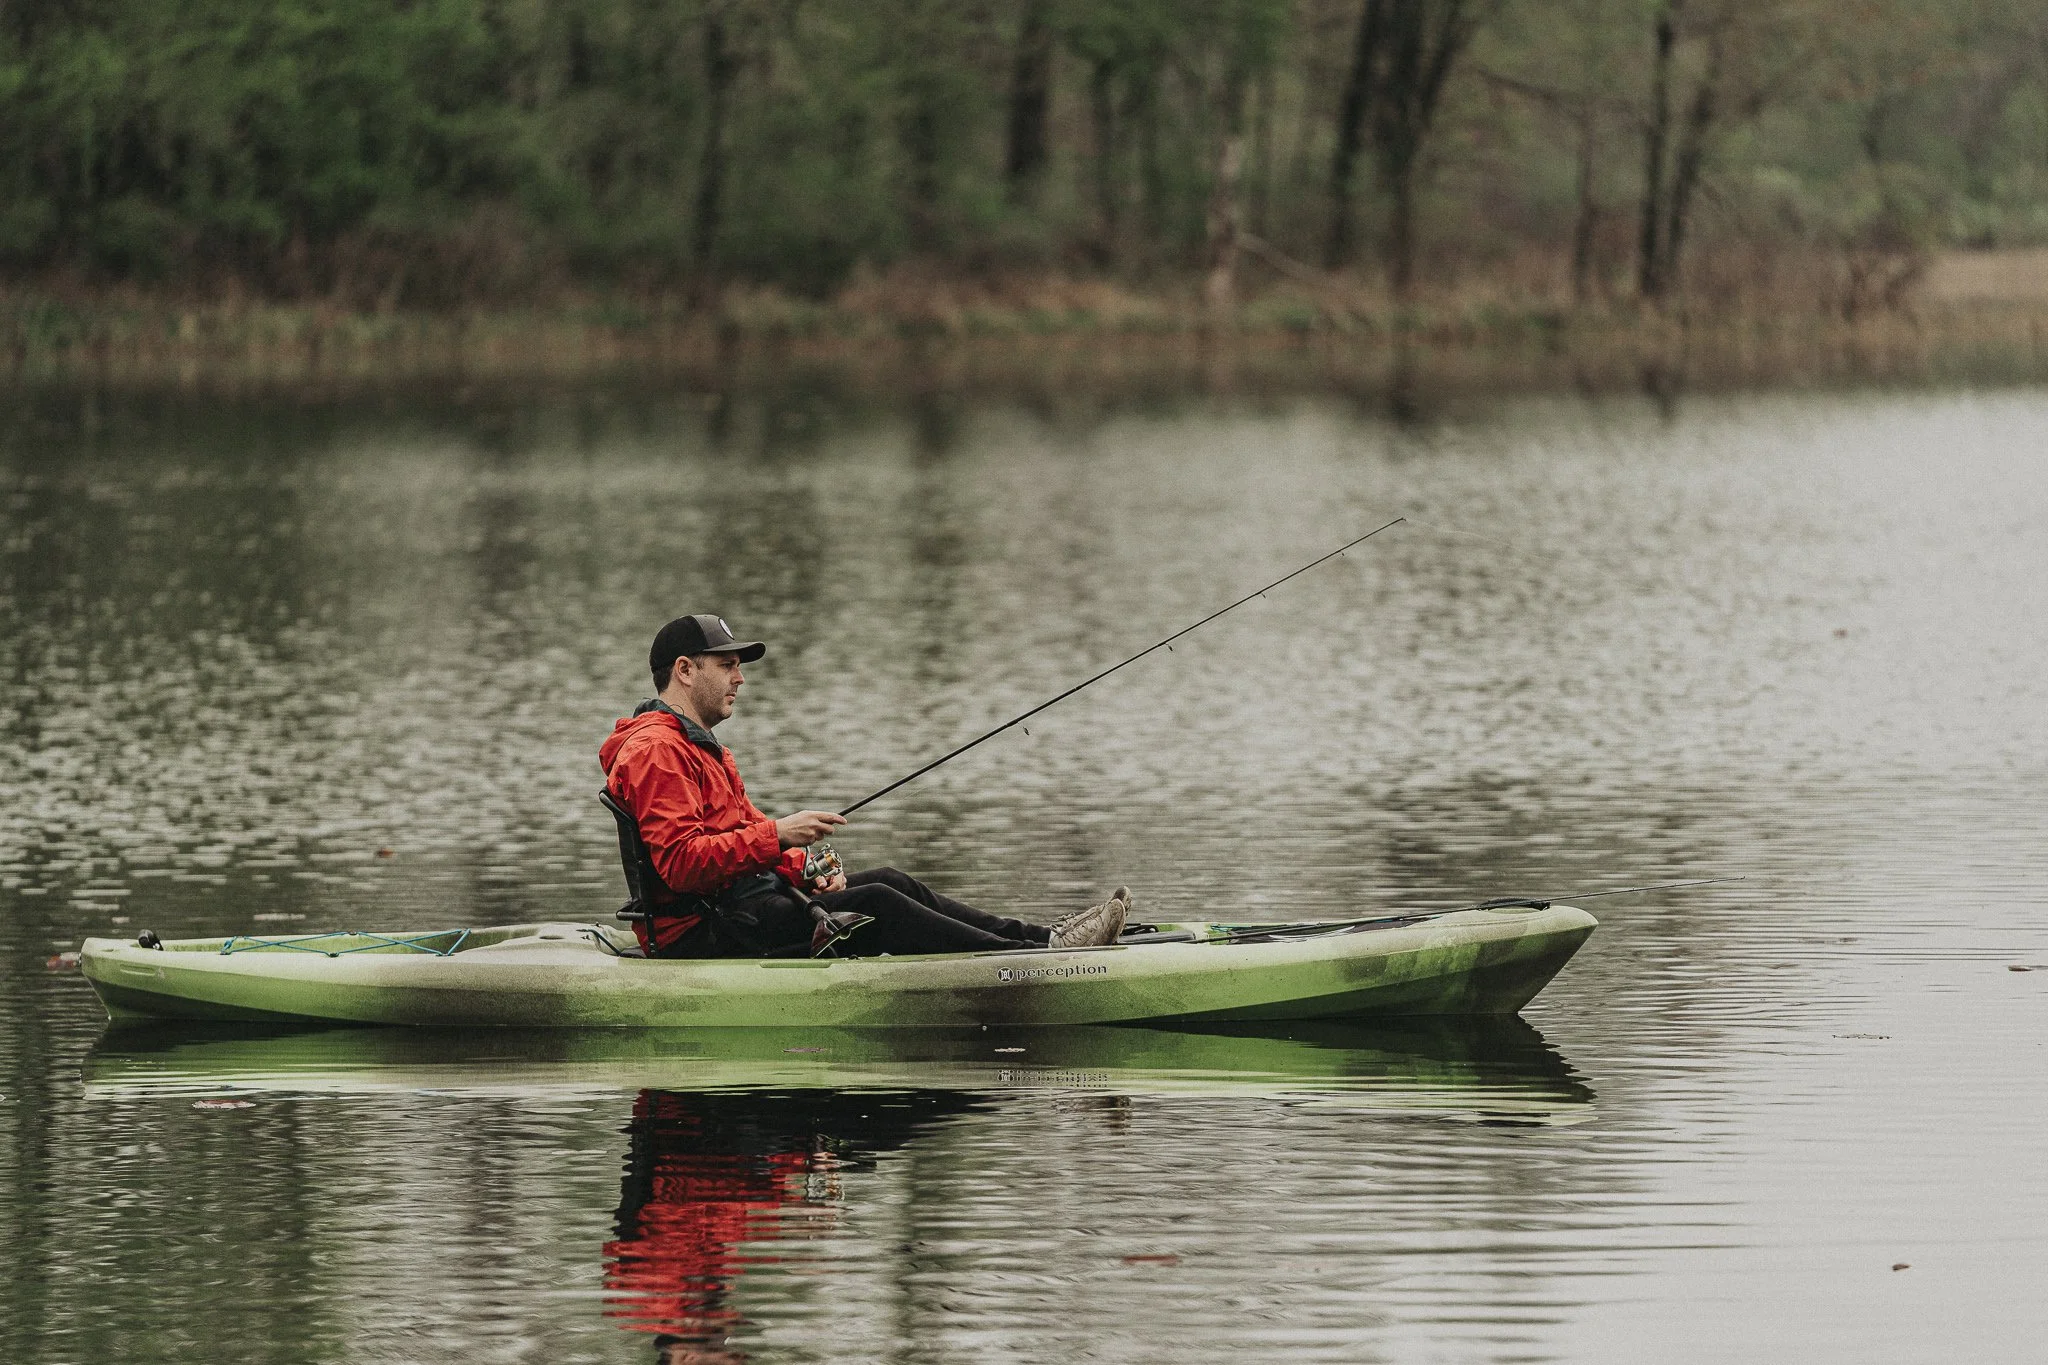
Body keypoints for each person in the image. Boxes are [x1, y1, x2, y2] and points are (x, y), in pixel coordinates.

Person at [599, 613, 1130, 959]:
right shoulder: (657, 753)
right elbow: (683, 865)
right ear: (686, 671)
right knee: (878, 900)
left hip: (741, 907)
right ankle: (1041, 963)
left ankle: (1043, 939)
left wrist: (801, 867)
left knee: (892, 881)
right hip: (703, 931)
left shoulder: (697, 744)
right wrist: (780, 837)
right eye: (728, 666)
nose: (741, 679)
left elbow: (738, 833)